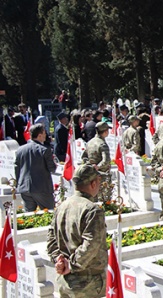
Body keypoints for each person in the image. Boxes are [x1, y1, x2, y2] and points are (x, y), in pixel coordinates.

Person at [47, 165, 107, 297]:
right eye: (98, 181)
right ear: (93, 183)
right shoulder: (92, 210)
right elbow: (91, 244)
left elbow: (51, 239)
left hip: (66, 280)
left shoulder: (62, 206)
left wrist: (58, 259)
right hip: (88, 282)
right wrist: (71, 265)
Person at [15, 124, 56, 211]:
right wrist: (54, 163)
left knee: (29, 217)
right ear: (39, 135)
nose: (46, 135)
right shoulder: (44, 150)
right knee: (49, 214)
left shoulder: (20, 150)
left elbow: (17, 168)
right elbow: (52, 169)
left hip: (24, 187)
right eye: (44, 133)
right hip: (42, 188)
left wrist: (18, 184)